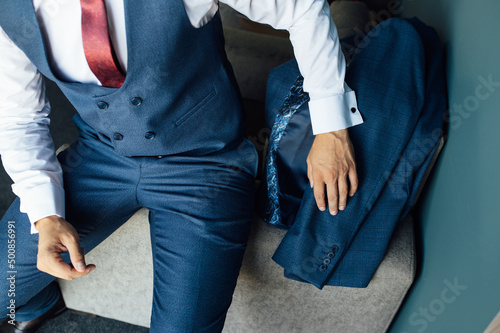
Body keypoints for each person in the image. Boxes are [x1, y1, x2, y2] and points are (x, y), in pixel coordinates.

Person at [0, 0, 362, 332]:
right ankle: (35, 301)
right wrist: (45, 215)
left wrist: (332, 127)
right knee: (5, 283)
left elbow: (302, 8)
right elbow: (19, 119)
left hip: (205, 163)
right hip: (100, 155)